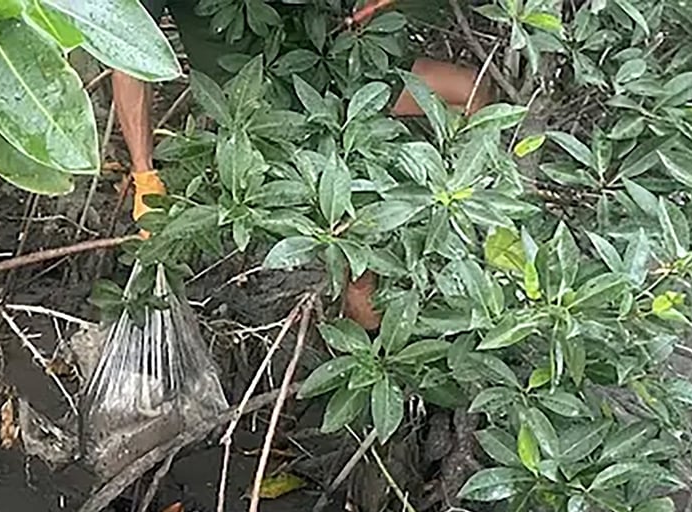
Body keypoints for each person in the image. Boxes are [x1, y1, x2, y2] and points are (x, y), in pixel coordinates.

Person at [114, 0, 493, 327]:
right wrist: (145, 173)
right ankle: (380, 363)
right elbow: (125, 56)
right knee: (359, 262)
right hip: (267, 106)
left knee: (472, 90)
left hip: (331, 58)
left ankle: (480, 239)